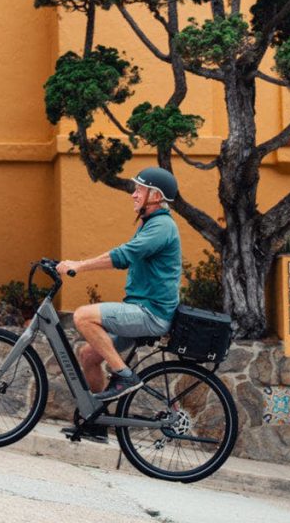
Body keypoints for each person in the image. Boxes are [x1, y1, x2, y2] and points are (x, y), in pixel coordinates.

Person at [57, 167, 182, 440]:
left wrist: (79, 265)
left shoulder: (162, 226)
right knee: (89, 356)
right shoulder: (150, 223)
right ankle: (96, 423)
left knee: (83, 316)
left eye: (139, 189)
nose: (133, 194)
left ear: (156, 196)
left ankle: (124, 376)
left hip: (150, 314)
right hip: (138, 309)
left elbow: (125, 255)